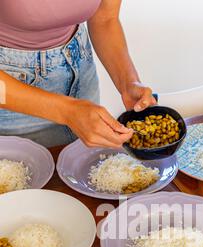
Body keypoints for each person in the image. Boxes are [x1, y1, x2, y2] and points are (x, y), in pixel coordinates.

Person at [0, 0, 156, 148]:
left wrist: (128, 83)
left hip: (81, 69)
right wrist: (67, 111)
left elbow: (105, 19)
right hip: (12, 96)